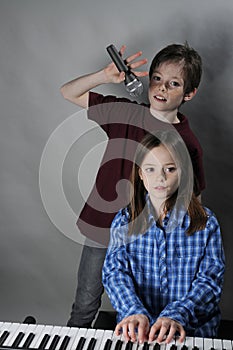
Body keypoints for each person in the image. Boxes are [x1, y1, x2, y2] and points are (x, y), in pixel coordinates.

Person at [60, 42, 206, 328]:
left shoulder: (188, 142)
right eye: (157, 79)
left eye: (173, 83)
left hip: (150, 241)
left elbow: (193, 200)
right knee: (85, 303)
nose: (162, 88)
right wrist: (104, 75)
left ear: (189, 93)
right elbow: (68, 92)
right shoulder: (125, 113)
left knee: (143, 311)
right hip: (102, 227)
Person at [102, 130, 225, 343]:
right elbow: (115, 272)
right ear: (140, 174)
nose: (160, 177)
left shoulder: (206, 223)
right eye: (151, 169)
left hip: (191, 333)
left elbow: (210, 281)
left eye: (170, 169)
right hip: (137, 331)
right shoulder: (124, 221)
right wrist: (132, 311)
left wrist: (176, 315)